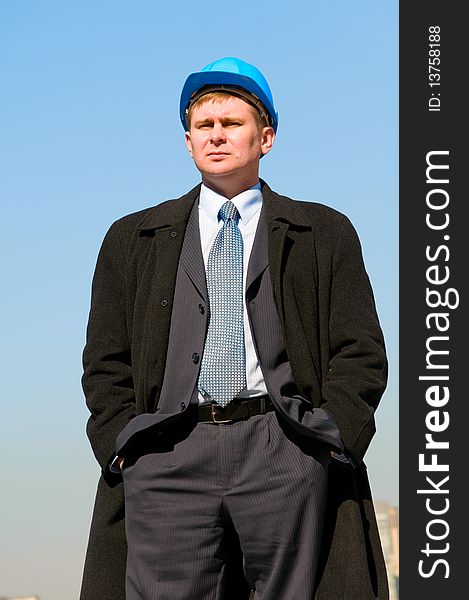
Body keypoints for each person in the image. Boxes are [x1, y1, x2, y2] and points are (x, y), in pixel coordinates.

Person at [80, 57, 389, 600]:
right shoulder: (132, 238)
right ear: (187, 141)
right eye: (204, 126)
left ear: (265, 137)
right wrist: (123, 442)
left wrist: (330, 437)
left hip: (285, 446)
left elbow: (359, 349)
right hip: (167, 453)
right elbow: (105, 360)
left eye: (232, 124)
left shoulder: (324, 232)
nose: (216, 136)